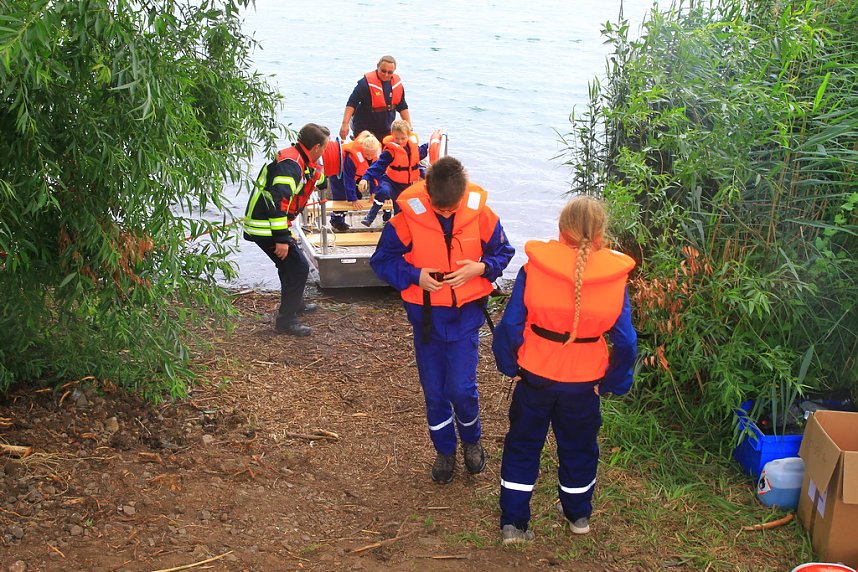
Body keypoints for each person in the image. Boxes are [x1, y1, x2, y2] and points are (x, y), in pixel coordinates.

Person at [491, 195, 637, 545]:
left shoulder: (535, 268)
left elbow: (511, 325)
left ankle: (514, 523)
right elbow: (627, 342)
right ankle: (578, 516)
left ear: (561, 228)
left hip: (535, 375)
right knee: (579, 446)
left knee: (523, 445)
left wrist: (510, 365)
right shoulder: (615, 277)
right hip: (584, 383)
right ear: (601, 230)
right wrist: (614, 382)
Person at [370, 157, 515, 484]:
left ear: (462, 197)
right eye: (441, 210)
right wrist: (414, 275)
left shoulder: (481, 215)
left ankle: (472, 441)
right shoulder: (407, 219)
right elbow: (381, 261)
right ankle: (445, 450)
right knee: (435, 391)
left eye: (452, 210)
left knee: (461, 389)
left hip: (464, 317)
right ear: (429, 195)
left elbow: (503, 252)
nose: (447, 214)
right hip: (427, 321)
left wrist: (481, 268)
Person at [243, 123, 330, 337]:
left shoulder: (301, 160)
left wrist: (323, 182)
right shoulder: (291, 165)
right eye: (324, 148)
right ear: (316, 147)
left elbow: (313, 178)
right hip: (265, 225)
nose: (324, 152)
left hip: (271, 223)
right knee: (298, 267)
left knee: (290, 266)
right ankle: (286, 320)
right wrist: (281, 238)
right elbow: (277, 201)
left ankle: (296, 303)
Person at [357, 120, 439, 226]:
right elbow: (377, 166)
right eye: (396, 138)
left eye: (403, 138)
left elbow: (425, 149)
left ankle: (397, 228)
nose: (399, 141)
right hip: (390, 181)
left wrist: (436, 142)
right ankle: (370, 217)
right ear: (392, 135)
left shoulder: (414, 148)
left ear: (408, 135)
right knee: (383, 192)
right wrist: (365, 177)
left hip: (406, 185)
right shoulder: (390, 152)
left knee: (399, 211)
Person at [340, 55, 412, 143]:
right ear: (378, 66)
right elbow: (352, 103)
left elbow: (402, 106)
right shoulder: (364, 84)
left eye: (390, 72)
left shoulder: (396, 85)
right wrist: (344, 124)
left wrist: (409, 127)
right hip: (365, 129)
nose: (386, 75)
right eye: (383, 71)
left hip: (386, 128)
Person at [326, 131, 381, 232]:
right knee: (341, 197)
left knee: (358, 195)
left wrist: (374, 193)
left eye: (372, 155)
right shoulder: (352, 156)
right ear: (362, 149)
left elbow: (376, 174)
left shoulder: (377, 155)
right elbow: (348, 178)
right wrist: (353, 199)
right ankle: (337, 220)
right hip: (340, 171)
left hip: (358, 174)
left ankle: (344, 211)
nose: (369, 157)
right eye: (367, 154)